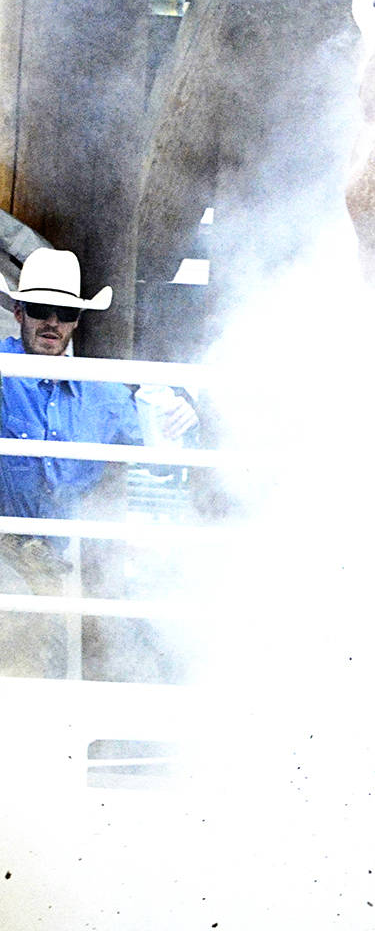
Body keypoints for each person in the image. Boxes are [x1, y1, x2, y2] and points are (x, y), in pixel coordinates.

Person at [0, 247, 196, 674]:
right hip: (4, 552)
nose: (52, 322)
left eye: (64, 312)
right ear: (19, 313)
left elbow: (161, 459)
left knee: (42, 671)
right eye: (40, 309)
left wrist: (180, 420)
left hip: (48, 567)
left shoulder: (102, 393)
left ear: (76, 321)